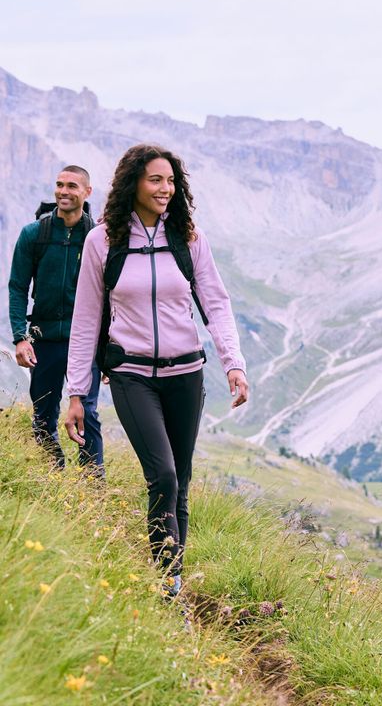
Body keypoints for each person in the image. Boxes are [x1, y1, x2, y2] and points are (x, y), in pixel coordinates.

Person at [65, 144, 248, 597]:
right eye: (155, 180)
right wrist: (75, 391)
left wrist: (233, 365)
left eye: (171, 181)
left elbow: (216, 305)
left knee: (180, 483)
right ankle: (166, 581)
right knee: (162, 475)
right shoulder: (103, 241)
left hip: (186, 374)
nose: (165, 189)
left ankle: (172, 585)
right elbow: (87, 319)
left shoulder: (189, 238)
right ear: (134, 184)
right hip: (131, 374)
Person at [8, 165, 104, 472]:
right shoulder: (34, 234)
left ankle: (92, 483)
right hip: (45, 337)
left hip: (86, 342)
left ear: (87, 192)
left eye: (72, 186)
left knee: (87, 412)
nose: (63, 191)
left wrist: (110, 347)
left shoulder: (98, 237)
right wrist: (21, 337)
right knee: (43, 414)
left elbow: (112, 295)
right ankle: (52, 474)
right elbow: (18, 286)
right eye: (60, 185)